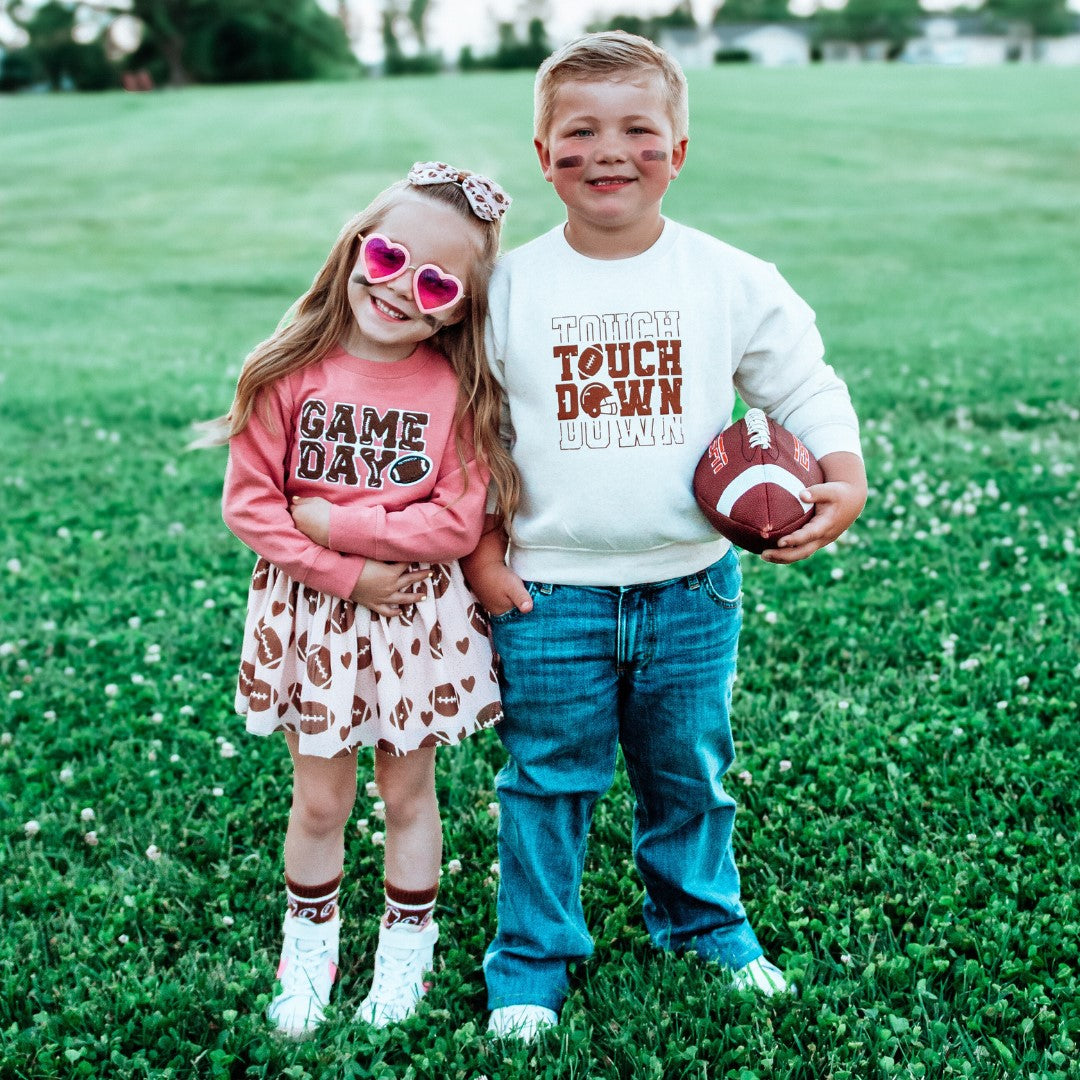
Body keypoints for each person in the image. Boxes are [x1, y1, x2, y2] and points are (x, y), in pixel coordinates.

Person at [461, 32, 867, 1041]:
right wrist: (479, 554)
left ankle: (703, 925)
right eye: (581, 131)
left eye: (639, 130)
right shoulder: (507, 287)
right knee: (547, 777)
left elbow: (801, 382)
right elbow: (468, 430)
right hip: (547, 589)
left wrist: (845, 476)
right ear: (543, 151)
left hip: (693, 584)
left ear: (678, 149)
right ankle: (533, 956)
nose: (610, 152)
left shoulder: (726, 277)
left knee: (689, 772)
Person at [214, 162, 517, 1036]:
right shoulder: (286, 372)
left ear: (458, 306)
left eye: (432, 281)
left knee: (408, 794)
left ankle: (405, 950)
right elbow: (252, 506)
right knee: (320, 801)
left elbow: (458, 522)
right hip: (313, 618)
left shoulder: (451, 390)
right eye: (384, 256)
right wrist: (349, 573)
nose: (396, 289)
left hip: (410, 623)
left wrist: (346, 526)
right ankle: (308, 947)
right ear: (355, 247)